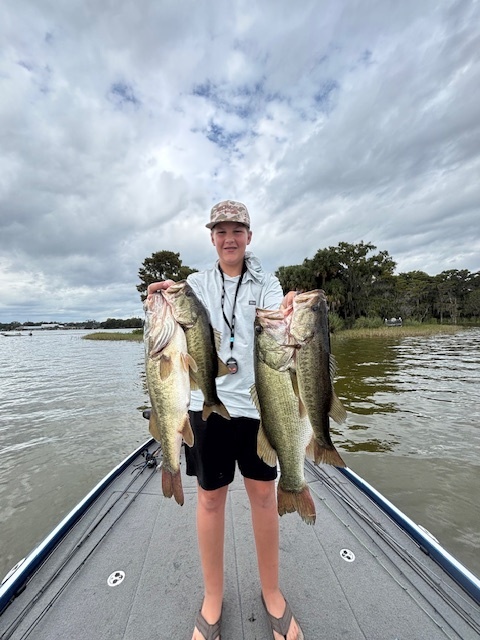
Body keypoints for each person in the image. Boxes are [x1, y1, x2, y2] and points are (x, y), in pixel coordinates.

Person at [147, 200, 303, 640]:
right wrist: (156, 301)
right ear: (212, 238)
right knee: (211, 500)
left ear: (249, 237)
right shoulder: (194, 284)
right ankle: (212, 597)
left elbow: (279, 326)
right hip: (204, 406)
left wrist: (290, 315)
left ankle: (271, 592)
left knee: (263, 498)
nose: (229, 238)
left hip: (258, 409)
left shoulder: (267, 283)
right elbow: (170, 323)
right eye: (221, 231)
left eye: (237, 230)